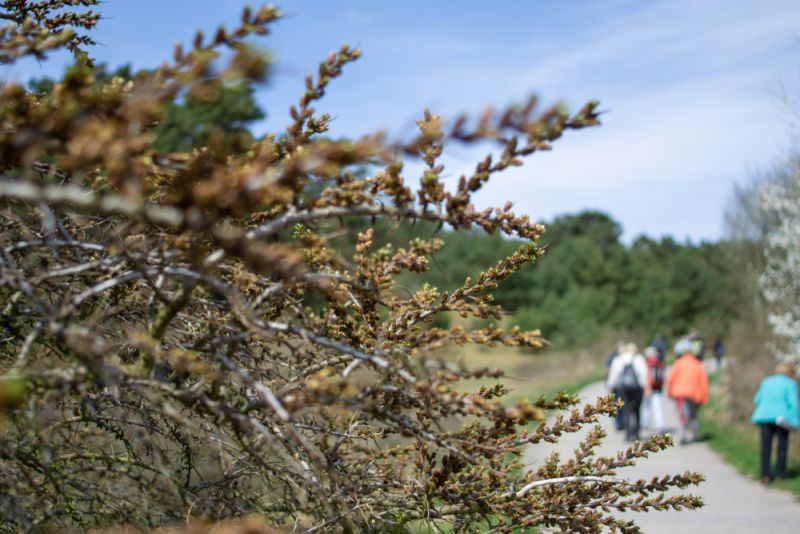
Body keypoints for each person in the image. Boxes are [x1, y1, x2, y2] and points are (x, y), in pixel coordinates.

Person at [751, 362, 800, 484]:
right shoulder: (790, 383)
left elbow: (757, 399)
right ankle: (780, 474)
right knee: (782, 446)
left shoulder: (766, 381)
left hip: (764, 416)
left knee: (765, 446)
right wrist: (795, 422)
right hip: (782, 419)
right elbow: (793, 404)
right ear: (790, 372)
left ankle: (765, 475)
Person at [666, 339, 709, 444]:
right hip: (694, 394)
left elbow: (671, 379)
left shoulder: (678, 363)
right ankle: (696, 434)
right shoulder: (697, 364)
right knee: (693, 415)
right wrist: (704, 396)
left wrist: (669, 392)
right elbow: (703, 381)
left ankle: (682, 436)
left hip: (680, 394)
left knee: (683, 415)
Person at [606, 343, 650, 441]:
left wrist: (610, 387)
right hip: (637, 388)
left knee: (626, 410)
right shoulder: (638, 358)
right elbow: (643, 373)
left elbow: (614, 375)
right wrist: (646, 387)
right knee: (637, 410)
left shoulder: (618, 359)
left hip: (623, 389)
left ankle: (628, 434)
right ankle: (636, 432)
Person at [641, 346, 665, 432]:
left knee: (646, 407)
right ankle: (660, 425)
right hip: (657, 388)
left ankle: (645, 424)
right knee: (657, 408)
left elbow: (644, 376)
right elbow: (662, 377)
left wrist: (646, 387)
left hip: (647, 388)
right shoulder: (659, 363)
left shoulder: (645, 363)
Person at [605, 341, 624, 431]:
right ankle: (620, 423)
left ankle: (619, 423)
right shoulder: (618, 358)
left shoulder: (611, 358)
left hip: (615, 385)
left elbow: (607, 372)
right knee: (619, 404)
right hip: (619, 386)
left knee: (616, 404)